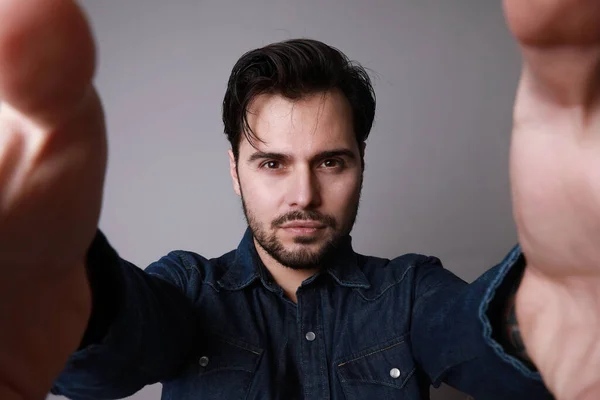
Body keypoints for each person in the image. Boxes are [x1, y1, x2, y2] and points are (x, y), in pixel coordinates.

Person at [1, 0, 599, 399]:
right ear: (235, 172)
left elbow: (469, 333)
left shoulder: (411, 293)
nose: (304, 195)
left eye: (331, 162)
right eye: (272, 163)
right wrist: (75, 286)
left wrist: (538, 319)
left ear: (361, 165)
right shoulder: (187, 290)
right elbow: (125, 339)